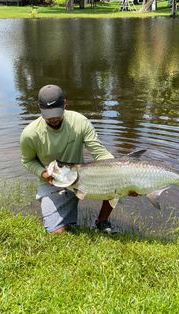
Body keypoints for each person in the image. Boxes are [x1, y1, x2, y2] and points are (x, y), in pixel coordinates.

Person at [20, 84, 115, 234]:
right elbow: (27, 160)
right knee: (57, 232)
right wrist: (44, 174)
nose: (53, 118)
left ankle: (102, 222)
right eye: (48, 114)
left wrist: (120, 168)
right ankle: (63, 217)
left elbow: (100, 153)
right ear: (39, 108)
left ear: (65, 104)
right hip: (53, 182)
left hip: (80, 177)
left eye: (57, 113)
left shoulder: (80, 121)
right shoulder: (30, 133)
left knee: (116, 179)